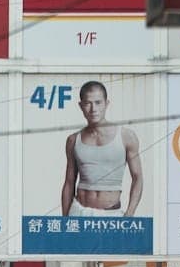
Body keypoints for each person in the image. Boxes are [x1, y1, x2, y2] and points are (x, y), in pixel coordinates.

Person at [61, 79, 143, 218]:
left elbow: (137, 177)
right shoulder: (73, 140)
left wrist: (130, 213)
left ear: (106, 104)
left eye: (98, 103)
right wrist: (65, 220)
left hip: (111, 213)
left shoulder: (126, 136)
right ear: (81, 106)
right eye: (88, 103)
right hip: (79, 211)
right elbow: (69, 183)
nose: (93, 109)